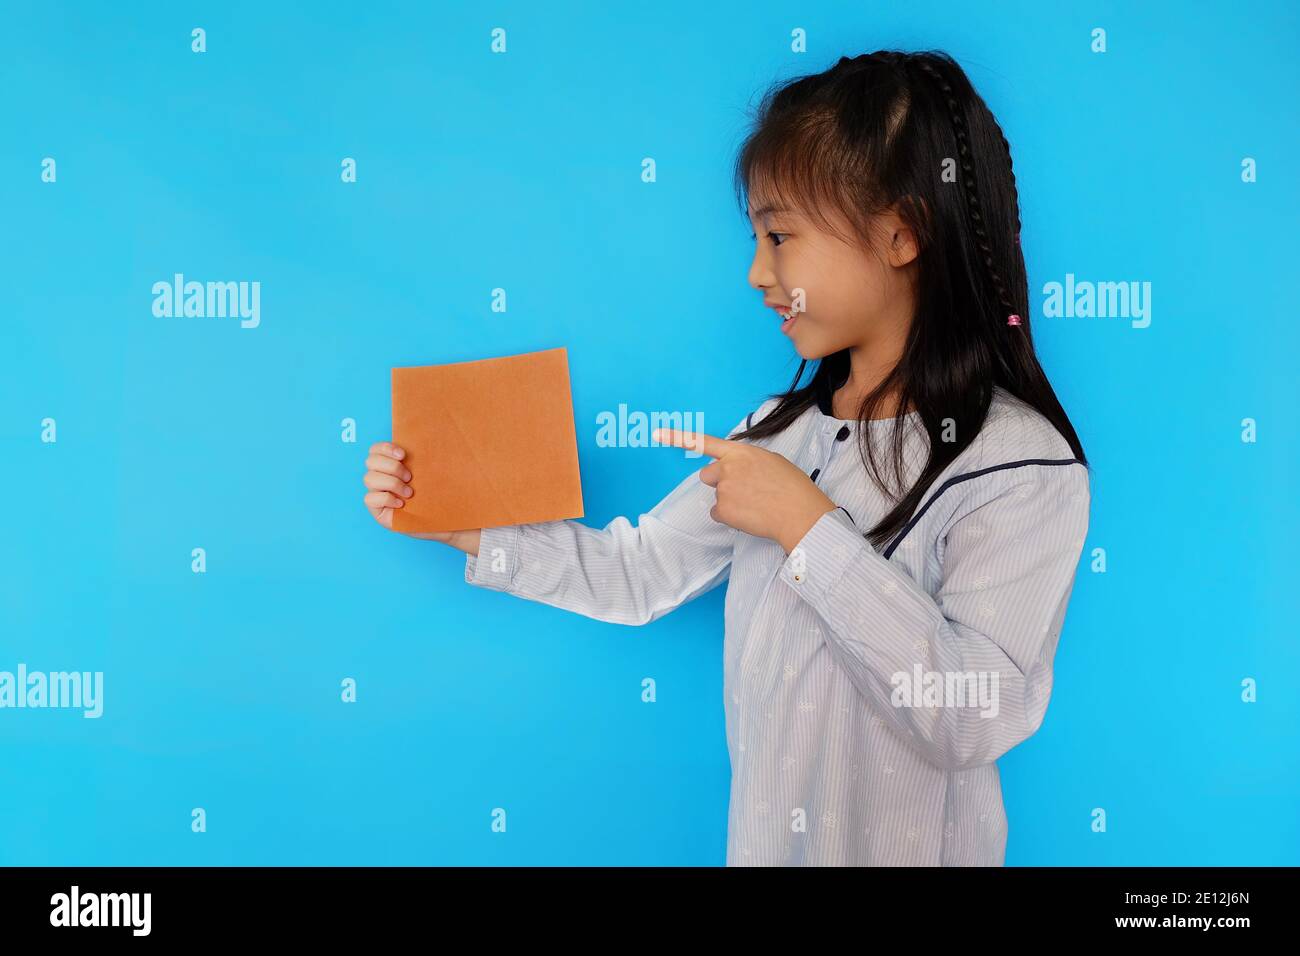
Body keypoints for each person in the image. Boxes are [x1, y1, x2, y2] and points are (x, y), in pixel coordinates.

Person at [362, 49, 1091, 866]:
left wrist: (805, 528)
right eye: (756, 238)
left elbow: (973, 714)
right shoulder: (776, 434)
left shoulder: (1019, 464)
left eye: (780, 236)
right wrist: (465, 521)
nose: (756, 274)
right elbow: (637, 573)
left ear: (899, 233)